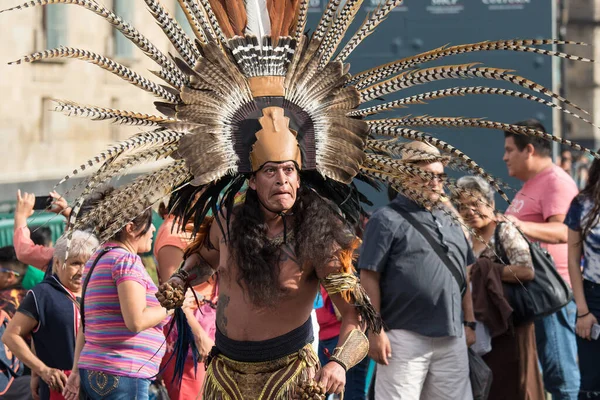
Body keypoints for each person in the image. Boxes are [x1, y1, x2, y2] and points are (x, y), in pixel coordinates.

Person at [358, 141, 476, 400]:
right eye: (427, 175)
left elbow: (464, 275)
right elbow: (368, 277)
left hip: (452, 335)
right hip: (402, 337)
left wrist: (469, 322)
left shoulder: (451, 219)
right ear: (405, 176)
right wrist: (375, 331)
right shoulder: (385, 218)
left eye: (440, 176)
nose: (435, 182)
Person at [503, 119, 580, 399]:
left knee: (560, 376)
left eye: (510, 149)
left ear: (529, 150)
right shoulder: (532, 184)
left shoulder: (555, 181)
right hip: (532, 296)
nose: (504, 157)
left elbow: (565, 231)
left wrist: (512, 225)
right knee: (535, 376)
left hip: (551, 295)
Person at [62, 205, 170, 400]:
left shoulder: (97, 259)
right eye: (149, 224)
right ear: (130, 228)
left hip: (94, 369)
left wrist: (77, 371)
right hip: (124, 373)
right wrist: (171, 306)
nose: (153, 229)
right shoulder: (126, 260)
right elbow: (136, 321)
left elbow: (86, 325)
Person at [454, 175, 544, 400]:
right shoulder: (464, 237)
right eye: (463, 206)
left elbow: (526, 271)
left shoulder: (504, 230)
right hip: (478, 324)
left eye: (476, 204)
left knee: (512, 385)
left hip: (508, 325)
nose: (470, 211)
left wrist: (485, 269)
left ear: (491, 204)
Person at [2, 230, 99, 400]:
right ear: (57, 263)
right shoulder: (42, 295)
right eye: (75, 263)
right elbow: (11, 336)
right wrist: (42, 371)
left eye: (88, 263)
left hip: (97, 384)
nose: (81, 271)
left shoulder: (97, 291)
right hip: (61, 387)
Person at [154, 191, 217, 400]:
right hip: (189, 335)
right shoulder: (173, 233)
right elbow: (172, 294)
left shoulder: (192, 224)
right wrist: (199, 336)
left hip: (208, 329)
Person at [565, 156, 600, 398]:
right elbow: (572, 260)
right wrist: (583, 311)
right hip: (593, 297)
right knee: (592, 380)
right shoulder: (582, 204)